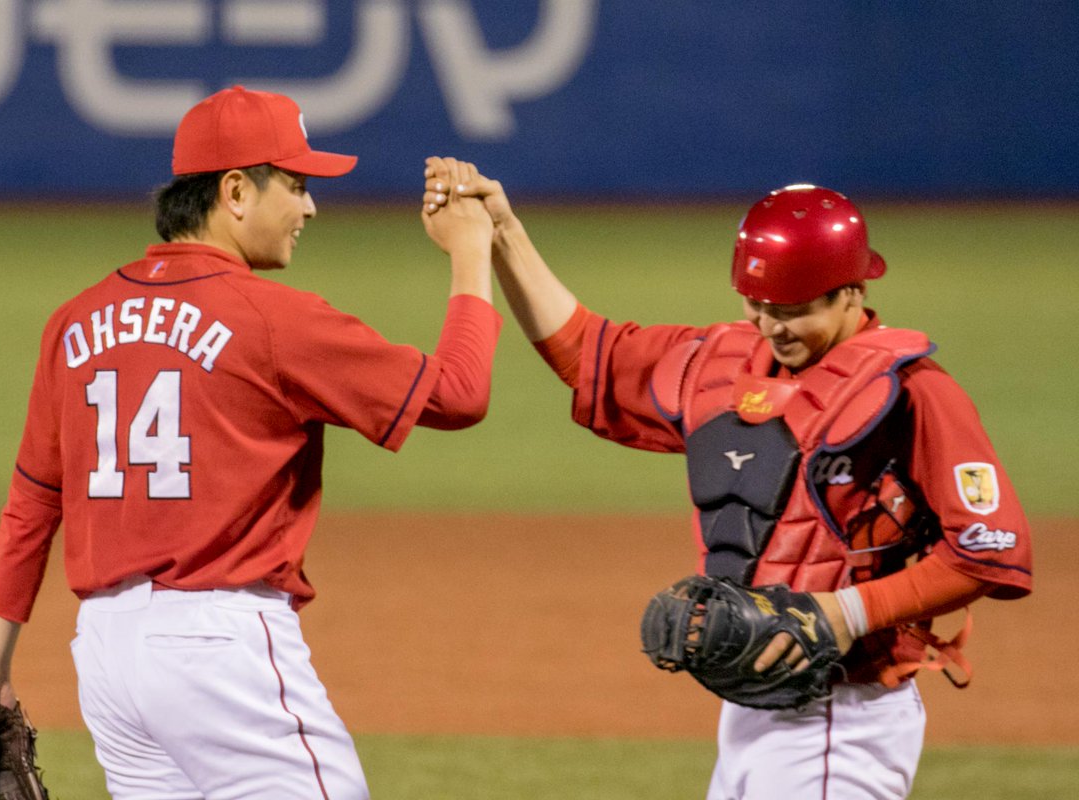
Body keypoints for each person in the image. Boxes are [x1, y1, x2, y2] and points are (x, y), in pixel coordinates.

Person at [423, 160, 1032, 799]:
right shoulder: (719, 366)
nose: (772, 326)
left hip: (843, 720)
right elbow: (588, 352)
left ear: (852, 291)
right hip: (747, 711)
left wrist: (847, 612)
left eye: (794, 310)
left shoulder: (914, 395)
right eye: (758, 305)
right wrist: (504, 235)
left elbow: (992, 553)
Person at [0, 87, 500, 799]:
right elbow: (458, 394)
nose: (311, 207)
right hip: (218, 651)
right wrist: (471, 252)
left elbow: (31, 507)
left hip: (105, 659)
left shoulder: (74, 322)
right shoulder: (273, 318)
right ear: (237, 190)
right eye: (299, 185)